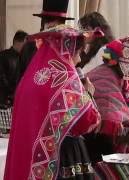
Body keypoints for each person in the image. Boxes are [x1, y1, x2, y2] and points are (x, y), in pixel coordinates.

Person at [4, 25, 101, 180]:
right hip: (60, 159)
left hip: (28, 156)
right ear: (68, 50)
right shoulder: (66, 78)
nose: (79, 59)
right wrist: (88, 93)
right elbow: (88, 122)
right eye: (78, 52)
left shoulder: (27, 79)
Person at [18, 0, 74, 82]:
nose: (53, 32)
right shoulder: (30, 47)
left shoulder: (66, 48)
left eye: (57, 28)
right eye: (50, 27)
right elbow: (22, 77)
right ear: (43, 26)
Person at [0, 30, 28, 108]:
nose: (26, 47)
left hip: (16, 99)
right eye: (25, 44)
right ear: (18, 42)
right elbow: (1, 78)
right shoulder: (3, 56)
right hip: (4, 101)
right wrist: (12, 93)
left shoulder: (23, 58)